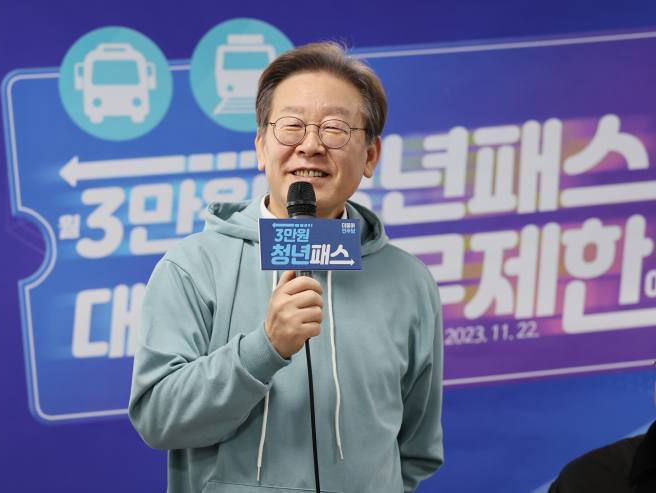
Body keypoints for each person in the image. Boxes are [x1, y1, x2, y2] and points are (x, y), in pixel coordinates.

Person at [129, 41, 444, 493]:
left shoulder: (408, 281)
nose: (310, 146)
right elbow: (158, 417)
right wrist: (265, 348)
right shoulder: (193, 267)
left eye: (334, 128)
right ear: (261, 147)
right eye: (292, 126)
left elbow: (415, 446)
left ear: (370, 156)